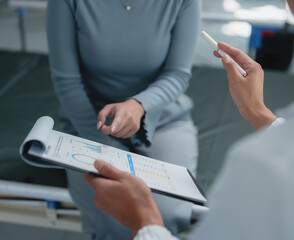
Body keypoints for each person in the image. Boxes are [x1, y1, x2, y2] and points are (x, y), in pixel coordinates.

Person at [85, 0, 294, 239]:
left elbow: (178, 74)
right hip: (92, 120)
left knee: (165, 207)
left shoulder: (270, 167)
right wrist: (257, 111)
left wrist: (144, 221)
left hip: (168, 121)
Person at [46, 0, 201, 239]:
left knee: (165, 214)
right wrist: (102, 142)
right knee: (111, 213)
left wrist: (140, 106)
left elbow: (177, 74)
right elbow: (66, 80)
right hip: (87, 120)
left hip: (162, 118)